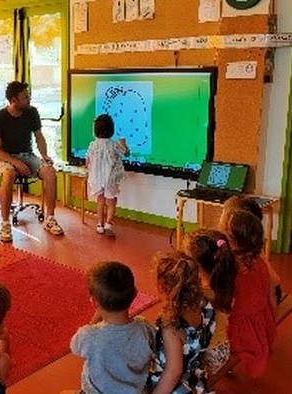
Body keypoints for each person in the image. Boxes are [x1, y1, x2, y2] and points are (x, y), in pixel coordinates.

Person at [0, 81, 63, 242]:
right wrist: (16, 163)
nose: (28, 99)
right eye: (25, 97)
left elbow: (39, 136)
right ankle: (5, 223)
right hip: (6, 156)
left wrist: (44, 155)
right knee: (8, 174)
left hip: (27, 155)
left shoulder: (32, 112)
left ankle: (50, 219)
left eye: (28, 96)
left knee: (50, 172)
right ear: (14, 100)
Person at [70, 261, 155, 394]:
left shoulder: (89, 335)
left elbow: (75, 348)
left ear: (94, 302)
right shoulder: (144, 328)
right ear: (135, 295)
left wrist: (96, 317)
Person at [149, 251, 216, 394]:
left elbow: (173, 372)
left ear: (161, 286)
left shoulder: (170, 325)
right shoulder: (206, 306)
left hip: (176, 387)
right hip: (196, 378)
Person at [223, 210, 277, 378]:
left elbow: (224, 305)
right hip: (261, 321)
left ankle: (224, 365)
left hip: (241, 331)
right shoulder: (259, 261)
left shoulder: (231, 269)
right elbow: (271, 296)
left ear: (232, 241)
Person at [182, 229, 236, 375]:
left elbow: (189, 332)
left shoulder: (201, 296)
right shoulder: (226, 283)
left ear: (197, 267)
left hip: (208, 357)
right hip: (223, 349)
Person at [219, 195, 282, 303]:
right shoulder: (251, 245)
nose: (220, 219)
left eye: (224, 215)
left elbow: (274, 282)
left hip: (263, 297)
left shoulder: (247, 254)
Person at [86, 114, 129, 237]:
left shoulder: (92, 145)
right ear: (111, 130)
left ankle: (99, 224)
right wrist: (124, 144)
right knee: (111, 202)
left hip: (96, 179)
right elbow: (126, 154)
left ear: (95, 130)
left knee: (100, 201)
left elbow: (87, 161)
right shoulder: (114, 145)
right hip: (110, 179)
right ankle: (108, 224)